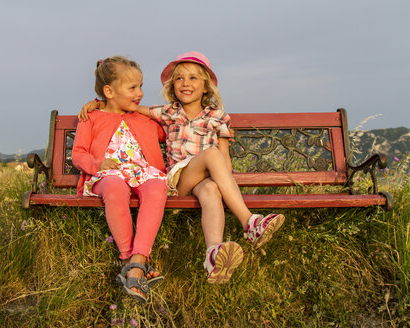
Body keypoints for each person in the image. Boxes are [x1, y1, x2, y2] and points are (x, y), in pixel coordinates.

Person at [79, 51, 285, 284]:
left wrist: (222, 183)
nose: (185, 83)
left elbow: (225, 160)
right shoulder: (168, 113)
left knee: (211, 190)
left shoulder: (218, 116)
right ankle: (249, 222)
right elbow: (127, 107)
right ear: (172, 85)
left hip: (204, 179)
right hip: (179, 180)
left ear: (206, 86)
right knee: (211, 154)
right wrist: (98, 102)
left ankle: (213, 255)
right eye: (179, 78)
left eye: (193, 78)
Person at [72, 56, 168, 303]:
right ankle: (127, 258)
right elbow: (79, 153)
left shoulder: (143, 117)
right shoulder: (91, 118)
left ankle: (138, 260)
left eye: (141, 86)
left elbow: (172, 127)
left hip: (140, 171)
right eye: (132, 88)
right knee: (115, 187)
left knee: (157, 186)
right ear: (109, 91)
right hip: (106, 173)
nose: (140, 93)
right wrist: (97, 164)